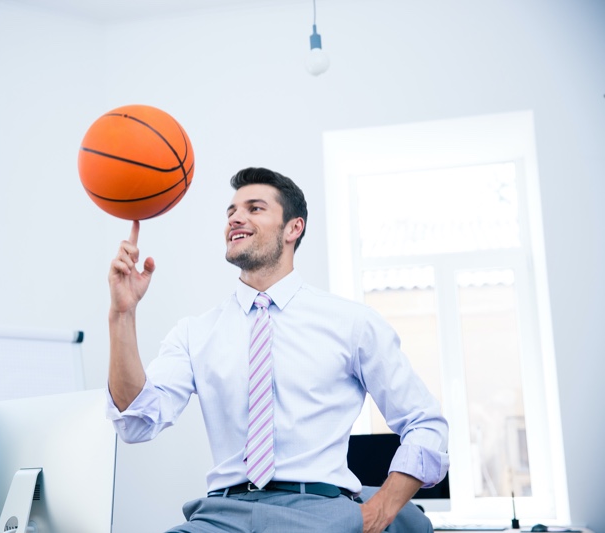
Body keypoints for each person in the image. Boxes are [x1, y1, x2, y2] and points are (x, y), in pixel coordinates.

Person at [106, 167, 449, 533]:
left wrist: (381, 509)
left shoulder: (351, 323)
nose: (236, 217)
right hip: (222, 515)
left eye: (254, 208)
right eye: (231, 211)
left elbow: (425, 423)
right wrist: (122, 314)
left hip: (319, 510)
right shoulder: (195, 333)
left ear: (293, 228)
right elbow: (136, 421)